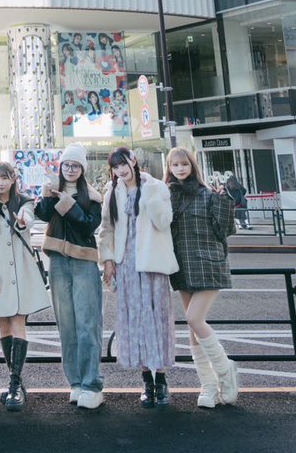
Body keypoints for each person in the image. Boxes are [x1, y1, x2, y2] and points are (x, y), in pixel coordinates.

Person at [96, 147, 177, 407]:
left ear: (134, 161)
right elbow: (106, 228)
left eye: (124, 164)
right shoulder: (113, 192)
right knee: (136, 321)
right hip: (127, 266)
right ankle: (146, 381)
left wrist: (150, 195)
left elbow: (164, 222)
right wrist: (108, 260)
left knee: (158, 319)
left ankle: (161, 380)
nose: (121, 170)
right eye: (115, 166)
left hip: (152, 265)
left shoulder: (156, 187)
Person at [165, 147, 238, 408]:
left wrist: (225, 201)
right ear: (169, 168)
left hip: (208, 264)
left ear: (192, 166)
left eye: (184, 164)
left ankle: (225, 373)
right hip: (182, 265)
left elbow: (226, 229)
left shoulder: (208, 194)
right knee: (193, 328)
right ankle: (208, 386)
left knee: (194, 319)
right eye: (175, 165)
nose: (180, 169)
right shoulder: (166, 196)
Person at [34, 144, 104, 409]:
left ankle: (92, 384)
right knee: (66, 325)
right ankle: (75, 382)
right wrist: (47, 195)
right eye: (66, 165)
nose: (70, 170)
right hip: (58, 261)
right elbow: (42, 215)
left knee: (87, 324)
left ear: (82, 169)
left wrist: (67, 204)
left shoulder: (93, 196)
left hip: (84, 260)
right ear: (60, 166)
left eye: (75, 166)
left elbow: (88, 225)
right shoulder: (54, 190)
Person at [0, 161, 49, 411]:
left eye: (5, 178)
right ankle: (16, 384)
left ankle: (14, 384)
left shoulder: (24, 203)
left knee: (18, 323)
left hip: (21, 275)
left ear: (13, 180)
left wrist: (22, 222)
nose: (0, 183)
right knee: (3, 326)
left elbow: (27, 219)